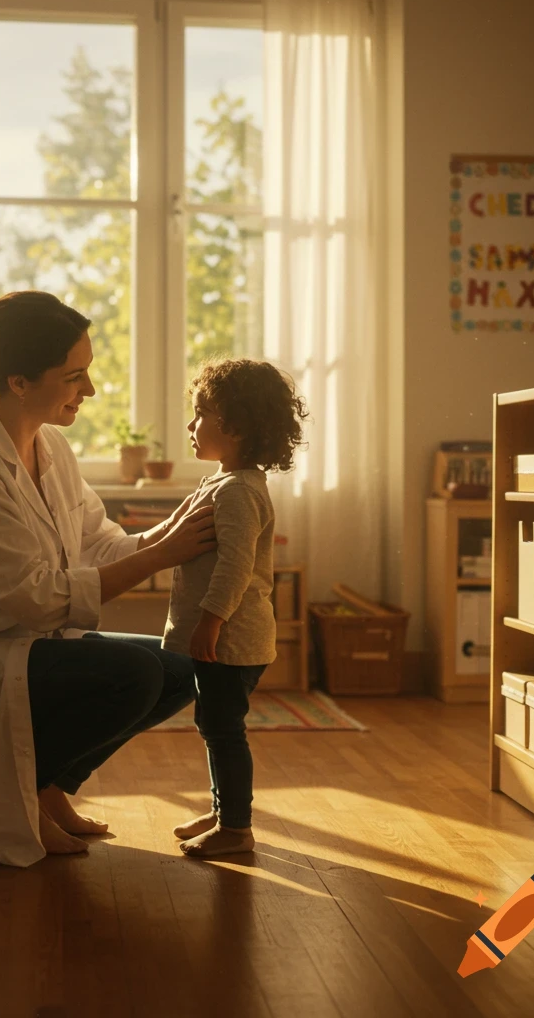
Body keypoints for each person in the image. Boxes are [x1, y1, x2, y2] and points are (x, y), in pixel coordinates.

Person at [0, 290, 216, 867]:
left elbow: (99, 542)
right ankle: (26, 796)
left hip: (27, 646)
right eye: (74, 377)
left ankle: (47, 786)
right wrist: (162, 554)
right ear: (19, 381)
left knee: (182, 665)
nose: (88, 390)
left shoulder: (52, 447)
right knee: (137, 675)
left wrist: (177, 526)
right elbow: (37, 599)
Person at [166, 358, 308, 858]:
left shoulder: (240, 491)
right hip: (225, 636)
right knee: (214, 725)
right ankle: (225, 811)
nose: (190, 424)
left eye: (201, 413)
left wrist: (210, 621)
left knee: (224, 730)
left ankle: (237, 829)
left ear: (239, 427)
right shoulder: (224, 484)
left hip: (233, 638)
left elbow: (236, 568)